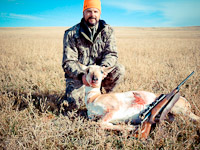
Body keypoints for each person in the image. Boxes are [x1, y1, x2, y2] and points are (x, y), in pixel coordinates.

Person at [62, 0, 125, 109]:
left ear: (100, 13)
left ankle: (107, 96)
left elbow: (111, 54)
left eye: (95, 11)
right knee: (75, 105)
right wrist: (83, 76)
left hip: (100, 74)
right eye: (89, 11)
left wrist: (103, 69)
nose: (92, 15)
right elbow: (68, 62)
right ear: (83, 13)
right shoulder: (71, 33)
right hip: (81, 76)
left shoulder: (108, 31)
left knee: (119, 69)